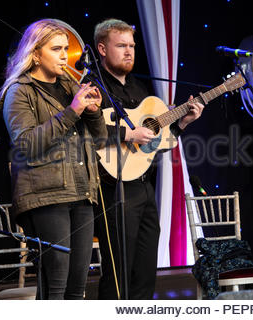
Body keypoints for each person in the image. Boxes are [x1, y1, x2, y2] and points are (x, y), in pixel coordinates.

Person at [86, 19, 204, 299]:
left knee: (145, 270)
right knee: (119, 275)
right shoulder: (91, 87)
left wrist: (181, 124)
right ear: (101, 49)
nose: (129, 52)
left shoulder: (140, 90)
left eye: (132, 46)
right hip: (112, 188)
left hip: (143, 187)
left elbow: (153, 145)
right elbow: (86, 132)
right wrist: (128, 133)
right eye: (121, 45)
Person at [0, 19, 107, 299]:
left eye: (66, 48)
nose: (64, 56)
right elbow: (27, 144)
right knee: (55, 284)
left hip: (81, 192)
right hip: (46, 197)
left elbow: (101, 139)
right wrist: (72, 111)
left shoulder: (71, 85)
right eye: (56, 49)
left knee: (78, 286)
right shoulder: (20, 91)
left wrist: (91, 110)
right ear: (35, 53)